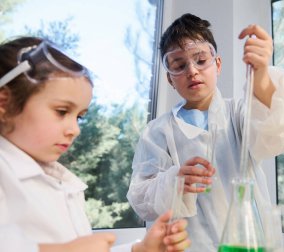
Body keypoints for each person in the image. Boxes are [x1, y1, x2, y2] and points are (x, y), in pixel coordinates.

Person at [126, 13, 284, 251]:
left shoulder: (240, 113)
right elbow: (141, 200)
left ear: (217, 64)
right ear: (170, 79)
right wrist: (175, 181)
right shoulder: (157, 132)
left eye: (201, 60)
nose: (192, 71)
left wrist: (260, 76)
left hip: (248, 244)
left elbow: (276, 135)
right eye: (179, 65)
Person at [0, 36, 191, 252]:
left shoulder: (66, 184)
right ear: (4, 103)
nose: (75, 129)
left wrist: (140, 249)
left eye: (79, 116)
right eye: (61, 111)